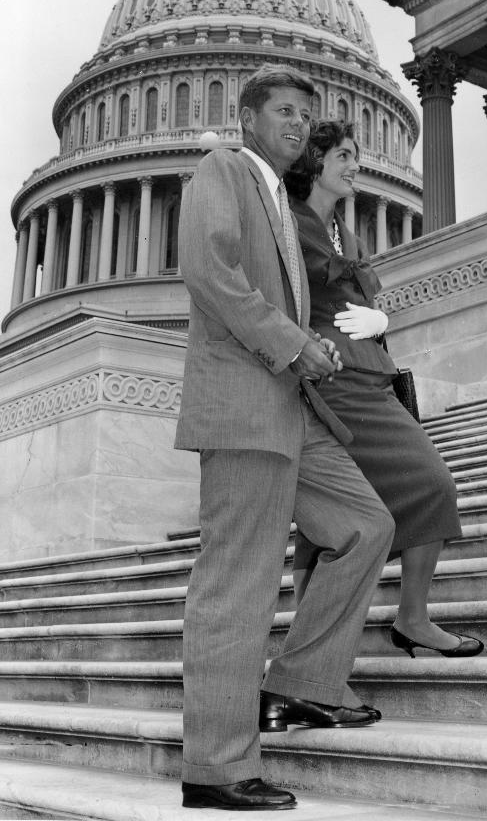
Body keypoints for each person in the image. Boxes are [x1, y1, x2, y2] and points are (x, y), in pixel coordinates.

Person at [175, 66, 395, 812]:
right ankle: (215, 767)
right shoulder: (224, 171)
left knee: (366, 526)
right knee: (235, 588)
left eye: (308, 113)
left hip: (292, 407)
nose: (300, 124)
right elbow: (209, 271)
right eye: (284, 112)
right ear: (247, 120)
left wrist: (310, 348)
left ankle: (302, 682)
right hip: (244, 409)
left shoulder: (279, 194)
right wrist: (290, 342)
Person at [284, 119, 484, 660]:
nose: (356, 165)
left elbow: (364, 296)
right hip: (332, 382)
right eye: (345, 156)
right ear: (315, 162)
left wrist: (379, 319)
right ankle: (322, 651)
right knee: (344, 516)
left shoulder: (343, 233)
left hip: (370, 377)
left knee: (407, 493)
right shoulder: (288, 221)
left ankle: (409, 619)